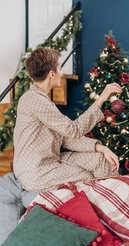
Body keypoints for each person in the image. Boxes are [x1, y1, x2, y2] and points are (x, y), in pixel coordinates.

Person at [13, 47, 122, 192]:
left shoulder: (41, 99)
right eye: (60, 68)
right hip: (36, 171)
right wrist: (102, 98)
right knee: (88, 177)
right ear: (52, 74)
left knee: (101, 160)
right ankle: (106, 208)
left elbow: (65, 137)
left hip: (50, 160)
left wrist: (100, 148)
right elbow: (74, 130)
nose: (61, 73)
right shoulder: (34, 100)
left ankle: (113, 206)